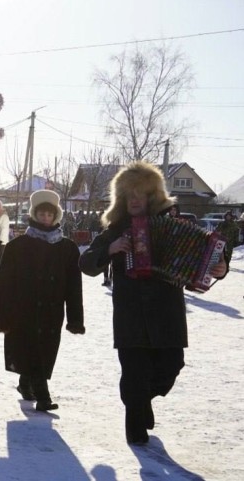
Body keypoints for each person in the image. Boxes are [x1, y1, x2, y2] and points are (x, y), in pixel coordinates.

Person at [79, 161, 229, 445]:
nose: (134, 200)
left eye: (141, 194)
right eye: (129, 194)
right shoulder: (116, 229)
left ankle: (141, 400)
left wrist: (219, 265)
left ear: (152, 196)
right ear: (122, 198)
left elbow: (207, 251)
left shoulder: (175, 224)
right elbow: (86, 263)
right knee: (135, 374)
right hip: (131, 316)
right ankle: (135, 421)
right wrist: (109, 249)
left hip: (167, 314)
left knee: (171, 367)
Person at [0, 190, 84, 412]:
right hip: (23, 310)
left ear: (56, 216)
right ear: (34, 214)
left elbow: (74, 288)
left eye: (49, 214)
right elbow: (3, 284)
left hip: (52, 312)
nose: (45, 218)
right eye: (41, 214)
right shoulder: (18, 246)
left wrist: (75, 318)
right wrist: (1, 317)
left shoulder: (67, 248)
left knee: (43, 351)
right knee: (32, 349)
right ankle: (43, 397)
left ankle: (25, 383)